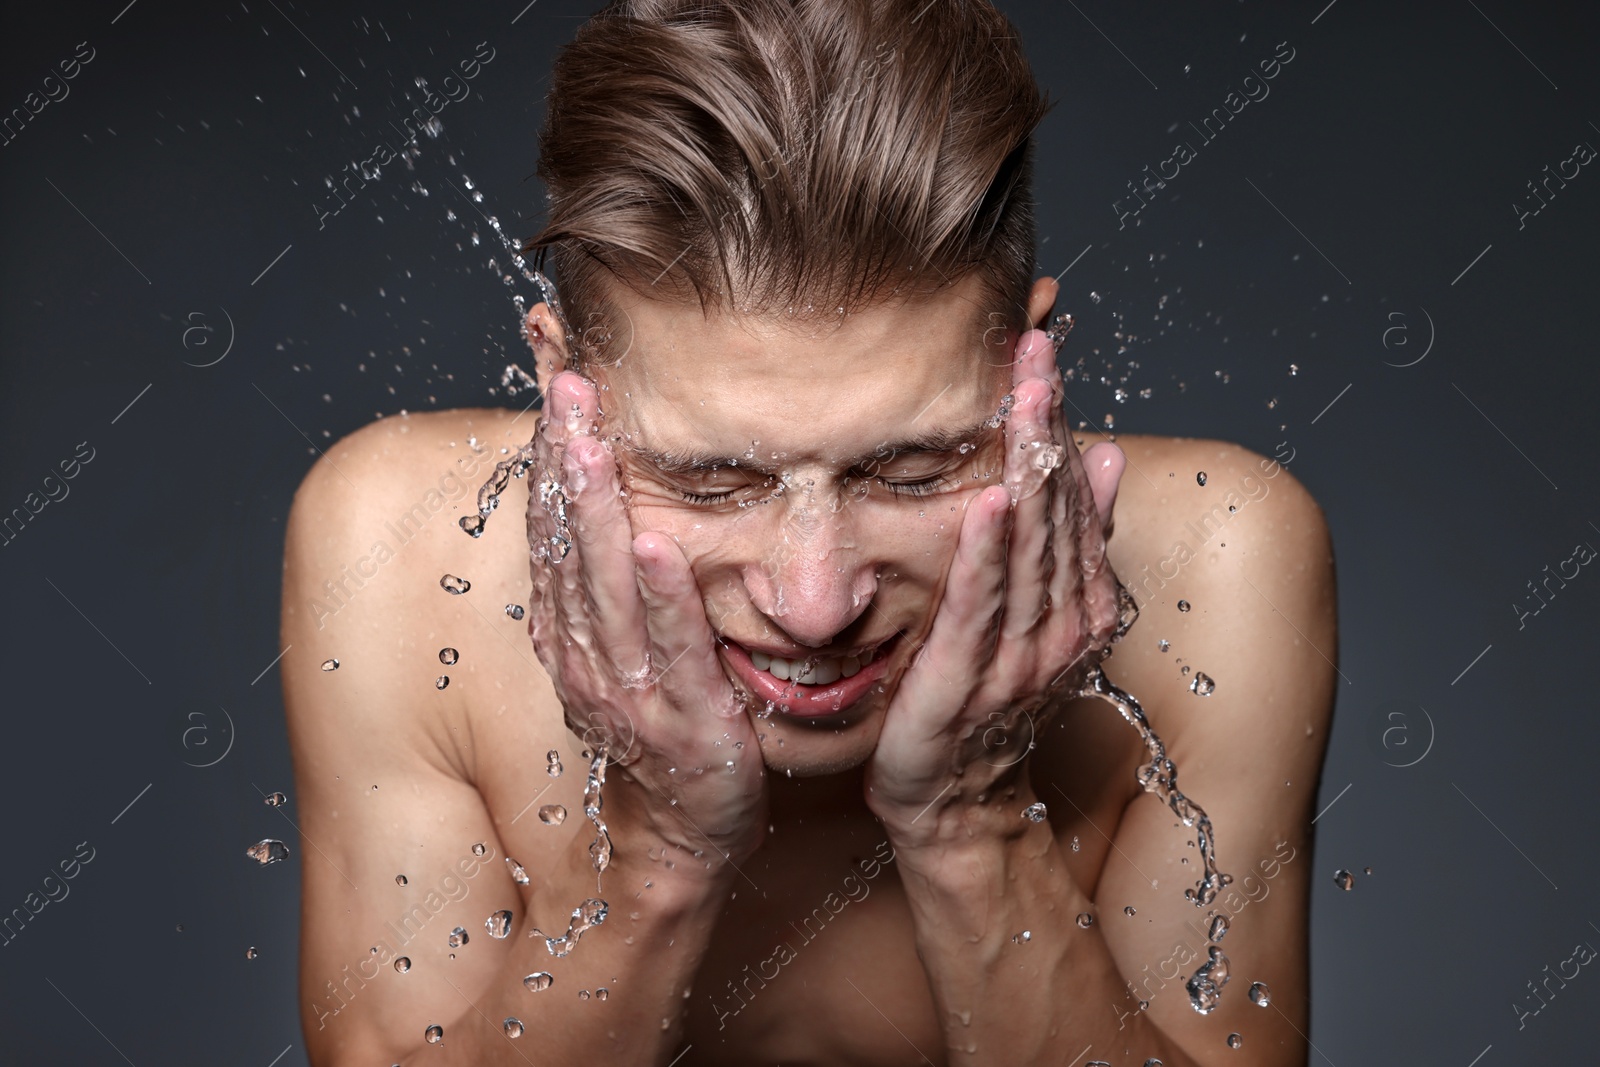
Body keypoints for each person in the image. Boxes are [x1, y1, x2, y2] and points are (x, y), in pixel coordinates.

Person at [280, 1, 1336, 1063]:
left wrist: (974, 822)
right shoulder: (403, 548)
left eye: (913, 469)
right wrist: (661, 847)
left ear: (1031, 377)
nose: (816, 600)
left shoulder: (1220, 559)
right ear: (564, 390)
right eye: (708, 481)